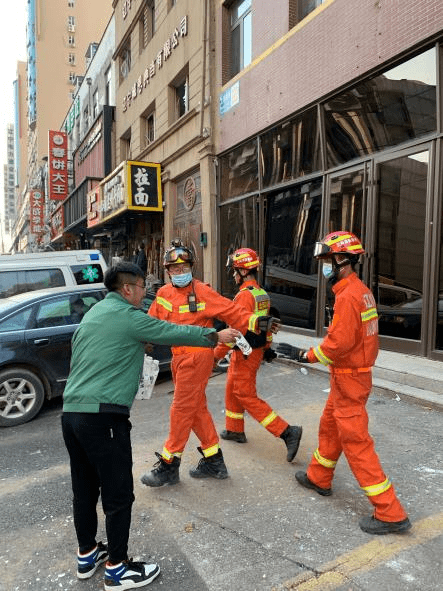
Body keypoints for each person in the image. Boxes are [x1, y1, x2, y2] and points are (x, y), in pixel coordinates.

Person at [61, 261, 240, 590]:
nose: (146, 295)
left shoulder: (94, 315)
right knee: (118, 495)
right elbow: (170, 331)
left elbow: (84, 353)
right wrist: (215, 334)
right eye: (143, 288)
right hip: (104, 417)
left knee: (84, 490)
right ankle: (117, 568)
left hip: (71, 414)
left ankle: (87, 554)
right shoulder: (129, 317)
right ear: (128, 289)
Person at [277, 231, 411, 535]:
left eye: (326, 260)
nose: (323, 266)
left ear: (342, 260)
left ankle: (390, 512)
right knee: (330, 426)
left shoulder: (349, 296)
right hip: (349, 376)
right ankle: (319, 477)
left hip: (350, 377)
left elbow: (338, 343)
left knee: (356, 443)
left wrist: (304, 355)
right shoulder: (357, 290)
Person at [141, 239, 274, 487]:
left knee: (181, 409)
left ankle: (169, 464)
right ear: (167, 271)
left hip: (198, 356)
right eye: (175, 270)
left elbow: (231, 311)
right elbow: (150, 325)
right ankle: (214, 459)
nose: (181, 273)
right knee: (196, 408)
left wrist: (257, 322)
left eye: (185, 269)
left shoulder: (202, 291)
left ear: (192, 268)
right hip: (178, 358)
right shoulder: (163, 294)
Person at [213, 248, 302, 462]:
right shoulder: (261, 294)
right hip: (251, 351)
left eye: (234, 271)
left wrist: (215, 355)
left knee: (246, 395)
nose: (233, 275)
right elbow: (268, 326)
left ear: (243, 272)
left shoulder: (244, 296)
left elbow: (234, 332)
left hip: (245, 352)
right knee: (232, 388)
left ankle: (287, 432)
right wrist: (267, 348)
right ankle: (234, 429)